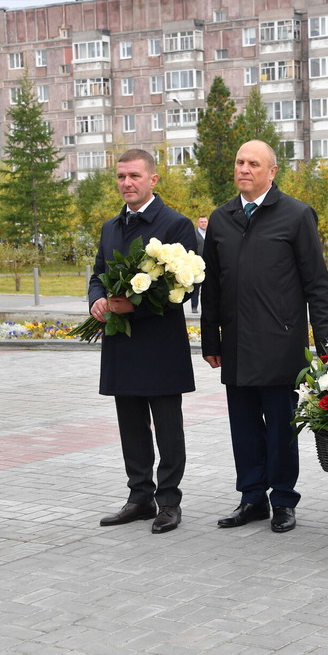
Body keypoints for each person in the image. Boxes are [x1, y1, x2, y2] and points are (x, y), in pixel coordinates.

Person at [201, 140, 328, 533]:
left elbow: (317, 285)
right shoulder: (221, 218)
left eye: (253, 163)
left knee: (280, 428)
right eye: (239, 161)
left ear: (272, 171)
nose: (244, 169)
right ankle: (252, 498)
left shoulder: (295, 215)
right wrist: (211, 341)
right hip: (237, 346)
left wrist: (325, 346)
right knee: (243, 428)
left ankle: (283, 501)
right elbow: (212, 286)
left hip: (281, 345)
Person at [90, 149, 197, 534]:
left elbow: (182, 288)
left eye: (134, 175)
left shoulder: (176, 225)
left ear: (153, 179)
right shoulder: (110, 227)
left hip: (160, 344)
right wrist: (98, 301)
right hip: (122, 344)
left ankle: (169, 501)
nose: (126, 183)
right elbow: (98, 274)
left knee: (168, 427)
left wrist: (133, 305)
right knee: (130, 424)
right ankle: (139, 497)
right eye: (120, 177)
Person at [191, 215, 208, 313]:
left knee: (208, 289)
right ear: (198, 223)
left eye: (205, 221)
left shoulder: (211, 233)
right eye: (201, 222)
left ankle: (206, 308)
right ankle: (194, 307)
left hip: (208, 265)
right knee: (196, 288)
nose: (203, 223)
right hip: (197, 266)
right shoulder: (194, 234)